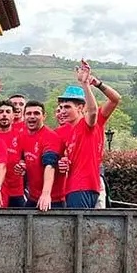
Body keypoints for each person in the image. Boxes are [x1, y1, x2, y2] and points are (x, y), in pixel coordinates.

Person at [56, 65, 103, 209]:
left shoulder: (86, 125)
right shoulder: (68, 132)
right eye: (61, 107)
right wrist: (63, 161)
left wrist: (85, 84)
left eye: (67, 107)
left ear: (80, 108)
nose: (63, 111)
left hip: (84, 187)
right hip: (74, 188)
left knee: (81, 229)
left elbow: (94, 111)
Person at [18, 100, 60, 211]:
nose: (32, 116)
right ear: (24, 116)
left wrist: (46, 194)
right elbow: (23, 157)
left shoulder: (50, 137)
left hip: (53, 199)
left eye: (36, 113)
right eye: (28, 113)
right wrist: (21, 165)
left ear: (44, 116)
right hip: (33, 197)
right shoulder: (23, 136)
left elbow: (50, 166)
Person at [0, 101, 24, 207]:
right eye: (1, 112)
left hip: (16, 191)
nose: (4, 114)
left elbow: (27, 158)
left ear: (13, 116)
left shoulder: (21, 136)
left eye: (8, 112)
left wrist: (23, 165)